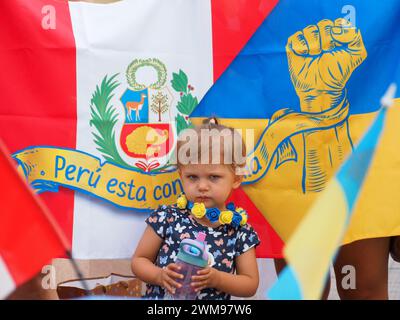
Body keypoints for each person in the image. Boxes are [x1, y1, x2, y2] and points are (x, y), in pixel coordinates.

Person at [131, 117, 260, 300]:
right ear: (181, 175)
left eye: (213, 177)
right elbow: (139, 261)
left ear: (237, 178)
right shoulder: (167, 217)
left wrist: (217, 279)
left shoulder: (240, 232)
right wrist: (159, 276)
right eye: (192, 177)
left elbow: (250, 284)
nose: (202, 186)